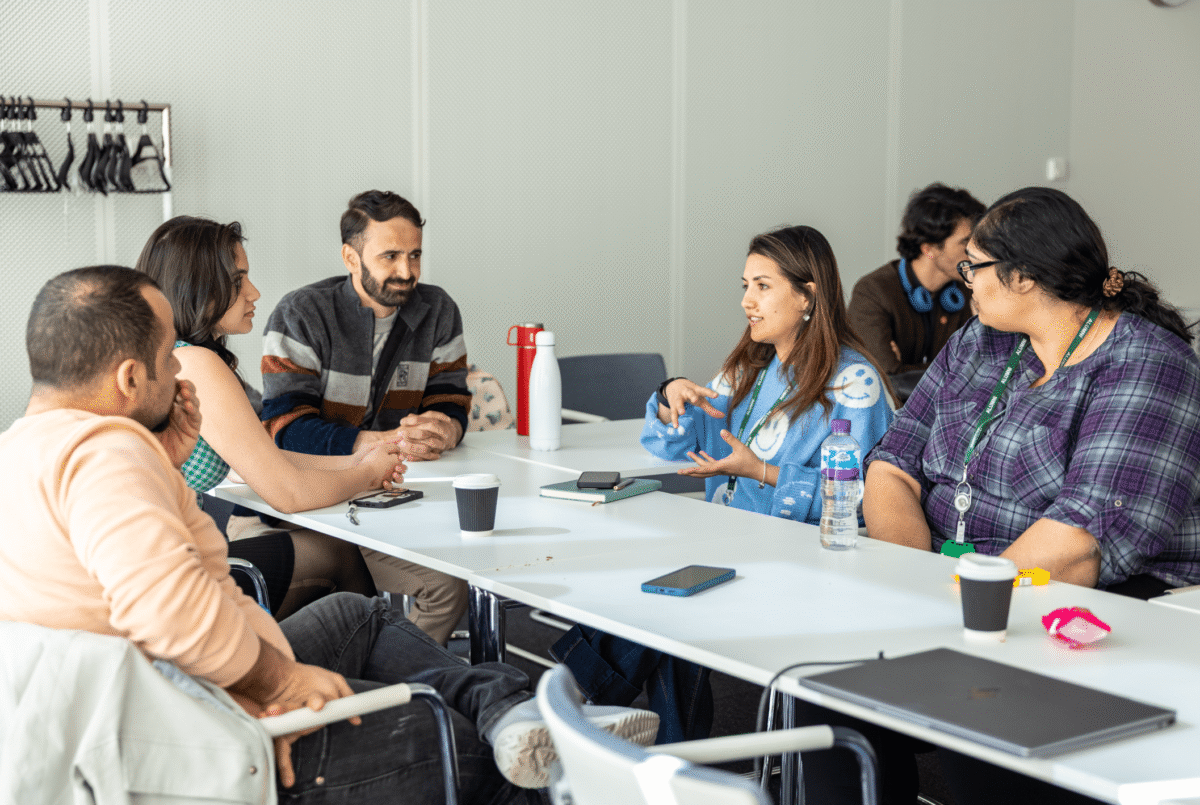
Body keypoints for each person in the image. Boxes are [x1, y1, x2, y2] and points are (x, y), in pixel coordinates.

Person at [0, 265, 657, 802]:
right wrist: (274, 683)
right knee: (474, 750)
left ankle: (512, 709)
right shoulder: (109, 456)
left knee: (355, 616)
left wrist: (171, 463)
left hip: (176, 694)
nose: (180, 368)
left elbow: (175, 586)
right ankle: (550, 746)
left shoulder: (30, 448)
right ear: (128, 378)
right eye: (168, 354)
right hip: (204, 737)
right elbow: (170, 611)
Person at [806, 186, 1200, 805]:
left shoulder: (1148, 364)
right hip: (954, 597)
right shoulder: (980, 342)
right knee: (824, 704)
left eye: (976, 266)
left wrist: (947, 610)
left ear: (1023, 277)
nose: (966, 281)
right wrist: (906, 582)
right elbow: (892, 463)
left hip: (1083, 611)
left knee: (981, 737)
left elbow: (1077, 544)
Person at [551, 225, 896, 744]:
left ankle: (575, 703)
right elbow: (674, 446)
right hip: (731, 544)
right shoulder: (750, 369)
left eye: (762, 286)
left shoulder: (854, 382)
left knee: (671, 594)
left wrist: (758, 470)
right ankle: (656, 747)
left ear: (809, 295)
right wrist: (672, 395)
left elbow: (871, 501)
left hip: (803, 557)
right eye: (745, 286)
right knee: (666, 590)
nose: (746, 302)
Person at [135, 216, 407, 619]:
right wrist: (366, 476)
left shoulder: (172, 356)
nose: (254, 292)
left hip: (156, 571)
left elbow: (261, 458)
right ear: (196, 287)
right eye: (237, 280)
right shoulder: (195, 364)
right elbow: (288, 493)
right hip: (171, 587)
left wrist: (360, 460)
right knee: (339, 553)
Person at [252, 190, 471, 644]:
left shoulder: (438, 310)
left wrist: (443, 429)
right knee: (444, 587)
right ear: (351, 257)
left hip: (392, 498)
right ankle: (397, 686)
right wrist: (377, 442)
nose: (406, 272)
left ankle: (399, 680)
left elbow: (451, 398)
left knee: (464, 567)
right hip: (305, 506)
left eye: (414, 255)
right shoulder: (301, 314)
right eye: (390, 256)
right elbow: (287, 428)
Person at [847, 182, 984, 400]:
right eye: (965, 244)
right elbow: (885, 379)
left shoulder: (972, 287)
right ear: (929, 249)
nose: (977, 253)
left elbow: (984, 368)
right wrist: (957, 367)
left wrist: (908, 370)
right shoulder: (873, 291)